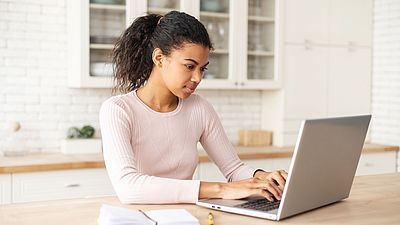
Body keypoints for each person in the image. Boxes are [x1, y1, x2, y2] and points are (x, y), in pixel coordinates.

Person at [99, 11, 288, 204]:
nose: (197, 78)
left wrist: (265, 178)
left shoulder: (199, 108)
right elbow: (129, 187)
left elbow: (234, 169)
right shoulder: (118, 110)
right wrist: (220, 189)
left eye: (202, 68)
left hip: (187, 216)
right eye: (190, 66)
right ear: (159, 58)